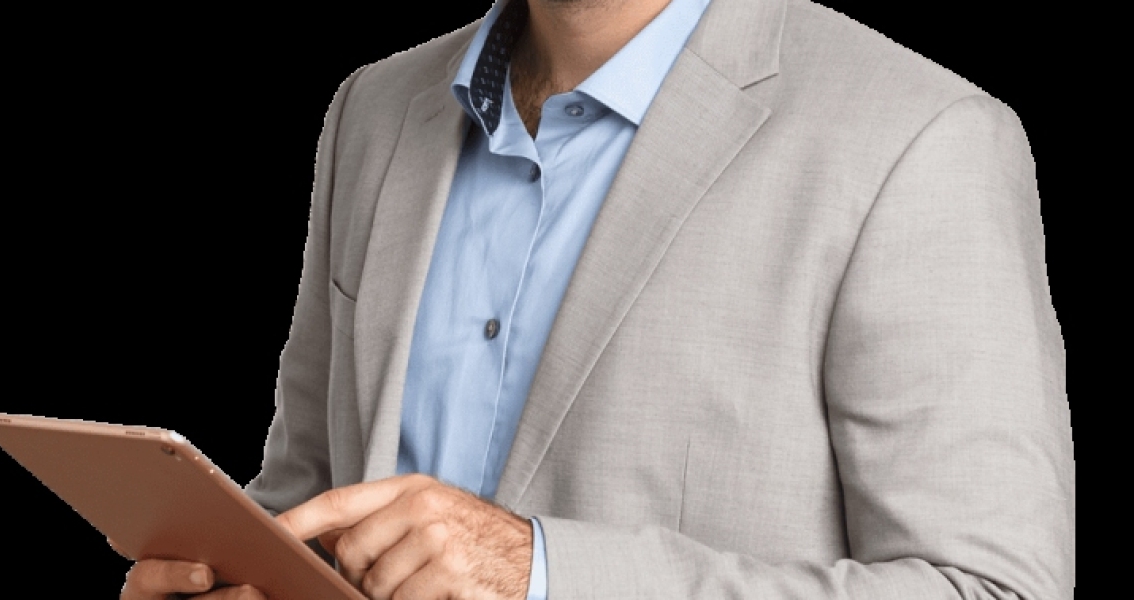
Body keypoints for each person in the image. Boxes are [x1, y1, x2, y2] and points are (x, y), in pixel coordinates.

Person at [120, 0, 1074, 598]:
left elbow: (993, 589)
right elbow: (307, 499)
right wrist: (229, 577)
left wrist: (542, 574)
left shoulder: (917, 139)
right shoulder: (372, 113)